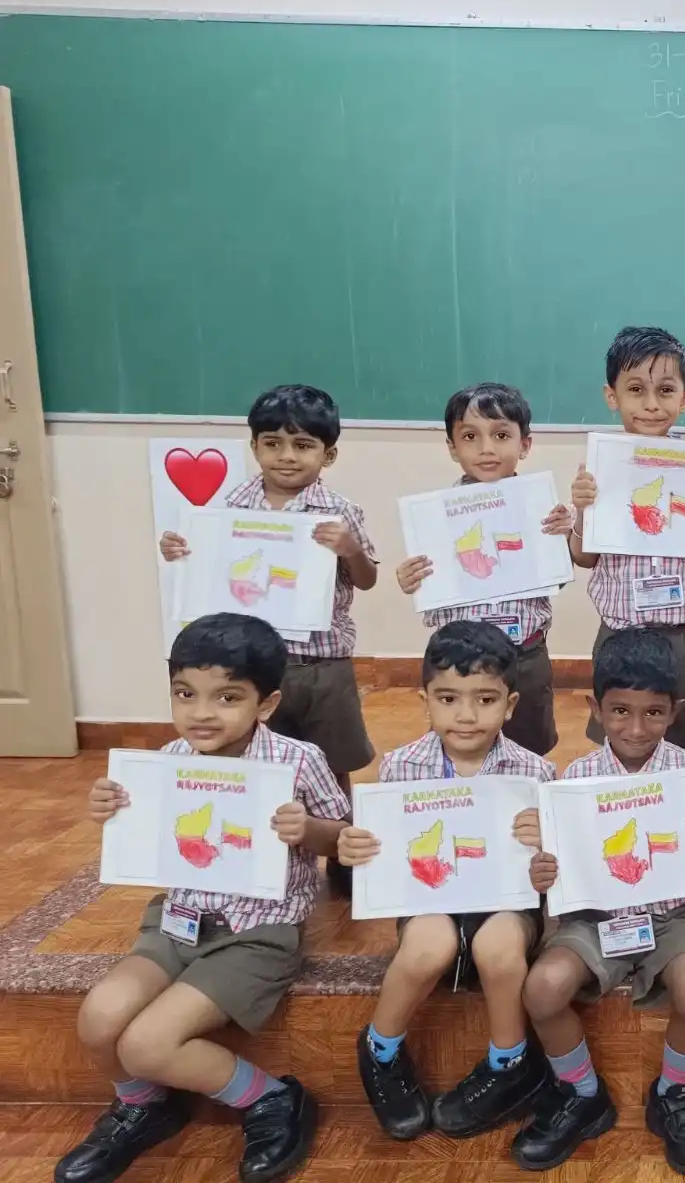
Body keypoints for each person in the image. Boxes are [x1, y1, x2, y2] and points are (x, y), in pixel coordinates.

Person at [58, 614, 349, 1183]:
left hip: (257, 934)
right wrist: (111, 809)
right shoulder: (167, 759)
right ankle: (145, 1107)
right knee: (98, 1018)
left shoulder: (297, 760)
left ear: (264, 705)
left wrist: (308, 831)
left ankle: (271, 1098)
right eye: (185, 693)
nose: (201, 712)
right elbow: (150, 835)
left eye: (227, 697)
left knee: (145, 1042)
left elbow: (344, 837)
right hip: (178, 922)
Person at [511, 626, 685, 1175]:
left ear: (675, 710)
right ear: (595, 708)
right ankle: (582, 1093)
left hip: (673, 915)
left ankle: (675, 1093)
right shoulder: (575, 780)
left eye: (654, 713)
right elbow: (562, 871)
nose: (636, 728)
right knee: (542, 988)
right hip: (597, 917)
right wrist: (544, 870)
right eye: (620, 712)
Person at [336, 621, 556, 1142]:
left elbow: (550, 873)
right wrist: (354, 848)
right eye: (448, 698)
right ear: (425, 700)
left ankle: (511, 1063)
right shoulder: (400, 769)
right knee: (428, 945)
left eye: (484, 699)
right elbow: (381, 851)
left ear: (510, 703)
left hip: (505, 902)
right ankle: (380, 1049)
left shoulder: (534, 775)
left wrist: (549, 842)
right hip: (427, 897)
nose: (465, 714)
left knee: (500, 948)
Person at [158, 385, 376, 896]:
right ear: (253, 447)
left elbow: (365, 579)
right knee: (255, 762)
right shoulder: (230, 505)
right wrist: (182, 550)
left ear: (329, 454)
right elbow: (211, 570)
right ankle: (255, 856)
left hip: (323, 662)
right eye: (272, 443)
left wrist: (348, 548)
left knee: (333, 761)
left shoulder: (340, 512)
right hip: (252, 669)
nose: (286, 456)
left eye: (302, 445)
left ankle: (341, 859)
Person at [569, 327, 685, 750]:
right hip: (621, 630)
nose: (651, 404)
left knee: (681, 739)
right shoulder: (600, 467)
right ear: (611, 396)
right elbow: (583, 557)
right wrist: (582, 508)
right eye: (636, 389)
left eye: (666, 390)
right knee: (621, 743)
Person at [395, 382, 575, 756]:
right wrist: (411, 579)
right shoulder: (434, 519)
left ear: (525, 444)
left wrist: (565, 533)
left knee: (529, 750)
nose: (487, 448)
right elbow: (432, 592)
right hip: (460, 664)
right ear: (452, 447)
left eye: (501, 435)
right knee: (461, 748)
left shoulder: (543, 509)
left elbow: (561, 571)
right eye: (470, 437)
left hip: (525, 656)